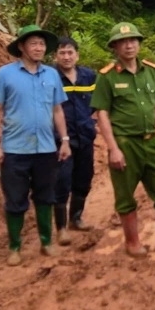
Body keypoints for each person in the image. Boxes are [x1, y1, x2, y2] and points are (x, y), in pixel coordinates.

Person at [90, 22, 155, 257]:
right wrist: (113, 149)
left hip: (151, 142)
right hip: (125, 144)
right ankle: (132, 242)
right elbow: (102, 114)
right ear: (115, 47)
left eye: (133, 41)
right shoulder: (107, 77)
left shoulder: (150, 71)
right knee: (125, 196)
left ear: (139, 44)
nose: (129, 45)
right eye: (123, 42)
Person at [0, 25, 73, 265]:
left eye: (42, 44)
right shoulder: (5, 74)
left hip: (46, 149)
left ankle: (46, 242)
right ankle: (14, 247)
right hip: (14, 149)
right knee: (15, 199)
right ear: (22, 47)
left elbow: (57, 110)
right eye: (34, 43)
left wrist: (64, 140)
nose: (39, 48)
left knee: (45, 196)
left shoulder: (51, 75)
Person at [52, 37, 97, 232]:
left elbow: (98, 104)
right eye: (62, 53)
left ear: (77, 55)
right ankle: (61, 226)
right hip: (60, 139)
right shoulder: (50, 76)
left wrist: (93, 123)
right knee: (61, 180)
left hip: (85, 138)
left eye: (70, 52)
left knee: (84, 178)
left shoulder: (89, 76)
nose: (66, 57)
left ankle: (76, 219)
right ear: (56, 56)